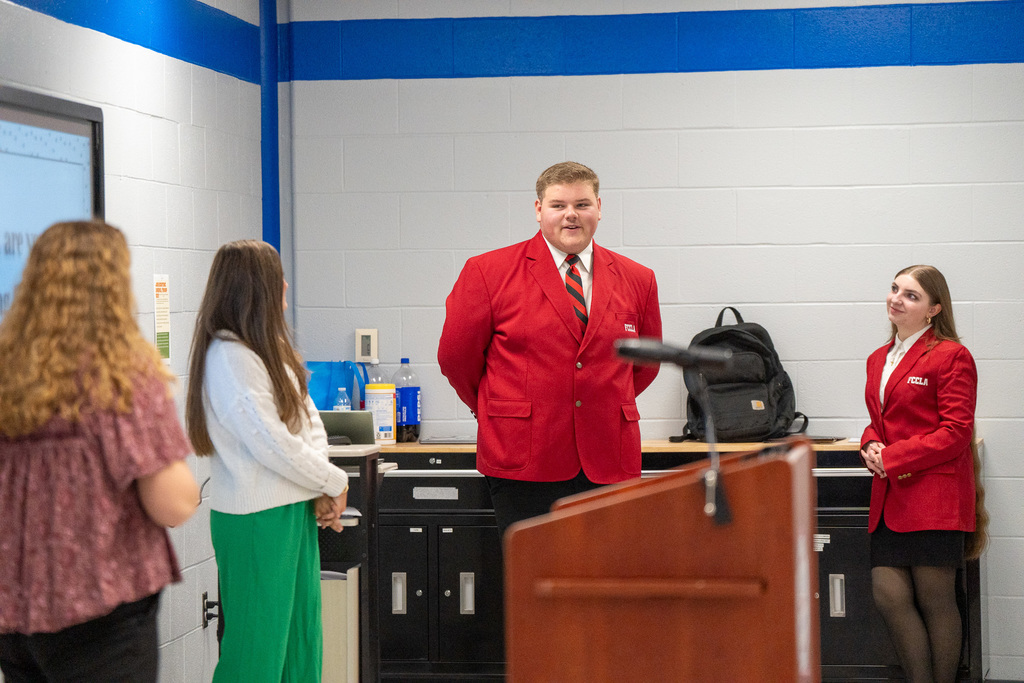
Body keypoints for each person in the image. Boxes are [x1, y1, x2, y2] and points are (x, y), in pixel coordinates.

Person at [0, 220, 199, 682]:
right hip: (101, 613)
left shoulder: (9, 380)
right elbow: (171, 501)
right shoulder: (120, 379)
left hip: (17, 615)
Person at [438, 161, 663, 538]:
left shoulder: (638, 278)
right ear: (539, 209)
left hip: (608, 457)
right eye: (558, 205)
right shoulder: (488, 271)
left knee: (606, 581)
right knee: (534, 582)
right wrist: (496, 410)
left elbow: (646, 363)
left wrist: (598, 402)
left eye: (582, 204)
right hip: (524, 458)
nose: (571, 215)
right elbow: (456, 358)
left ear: (599, 208)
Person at [185, 239, 349, 682]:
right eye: (278, 278)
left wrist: (320, 485)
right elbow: (270, 441)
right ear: (254, 288)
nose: (286, 285)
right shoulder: (230, 356)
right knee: (256, 655)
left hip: (289, 511)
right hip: (256, 521)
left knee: (299, 647)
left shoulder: (266, 348)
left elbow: (307, 418)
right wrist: (332, 481)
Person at [860, 264, 989, 683]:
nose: (896, 298)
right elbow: (878, 420)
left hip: (934, 496)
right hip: (890, 497)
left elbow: (955, 433)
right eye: (895, 289)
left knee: (936, 602)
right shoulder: (878, 358)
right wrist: (870, 443)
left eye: (911, 295)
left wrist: (893, 456)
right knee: (888, 594)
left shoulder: (951, 355)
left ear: (933, 309)